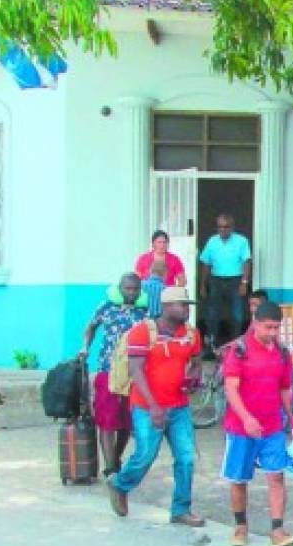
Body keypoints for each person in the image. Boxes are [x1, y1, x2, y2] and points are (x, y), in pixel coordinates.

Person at [106, 287, 205, 526]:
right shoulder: (143, 332)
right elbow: (136, 371)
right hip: (146, 405)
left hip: (178, 405)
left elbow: (197, 360)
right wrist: (153, 406)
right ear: (167, 307)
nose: (186, 309)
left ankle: (180, 509)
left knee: (187, 458)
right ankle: (119, 484)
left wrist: (193, 379)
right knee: (145, 455)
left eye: (187, 304)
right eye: (182, 305)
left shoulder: (191, 334)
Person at [222, 300, 293, 546]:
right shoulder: (239, 351)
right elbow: (231, 389)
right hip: (240, 428)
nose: (273, 333)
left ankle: (277, 530)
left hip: (273, 427)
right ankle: (240, 526)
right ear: (255, 323)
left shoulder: (283, 353)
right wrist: (246, 418)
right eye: (268, 327)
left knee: (277, 477)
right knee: (239, 479)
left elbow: (286, 389)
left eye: (277, 328)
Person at [80, 273, 149, 476]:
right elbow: (90, 328)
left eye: (136, 289)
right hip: (107, 370)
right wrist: (85, 348)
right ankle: (110, 467)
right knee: (106, 419)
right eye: (128, 289)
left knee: (126, 421)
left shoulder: (144, 313)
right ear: (120, 289)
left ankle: (116, 458)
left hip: (133, 373)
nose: (132, 293)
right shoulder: (106, 307)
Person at [198, 213, 252, 348]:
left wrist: (244, 282)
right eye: (220, 227)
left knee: (237, 315)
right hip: (216, 280)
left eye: (226, 227)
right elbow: (206, 264)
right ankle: (212, 345)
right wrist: (203, 285)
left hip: (236, 280)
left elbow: (247, 262)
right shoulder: (212, 241)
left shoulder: (242, 241)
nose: (223, 230)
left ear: (232, 227)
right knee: (213, 314)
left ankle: (236, 346)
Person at [135, 230, 187, 318]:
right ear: (153, 244)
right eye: (159, 242)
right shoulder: (143, 258)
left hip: (166, 298)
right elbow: (136, 280)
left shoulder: (174, 259)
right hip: (147, 297)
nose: (162, 245)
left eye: (165, 242)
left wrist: (173, 293)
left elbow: (182, 280)